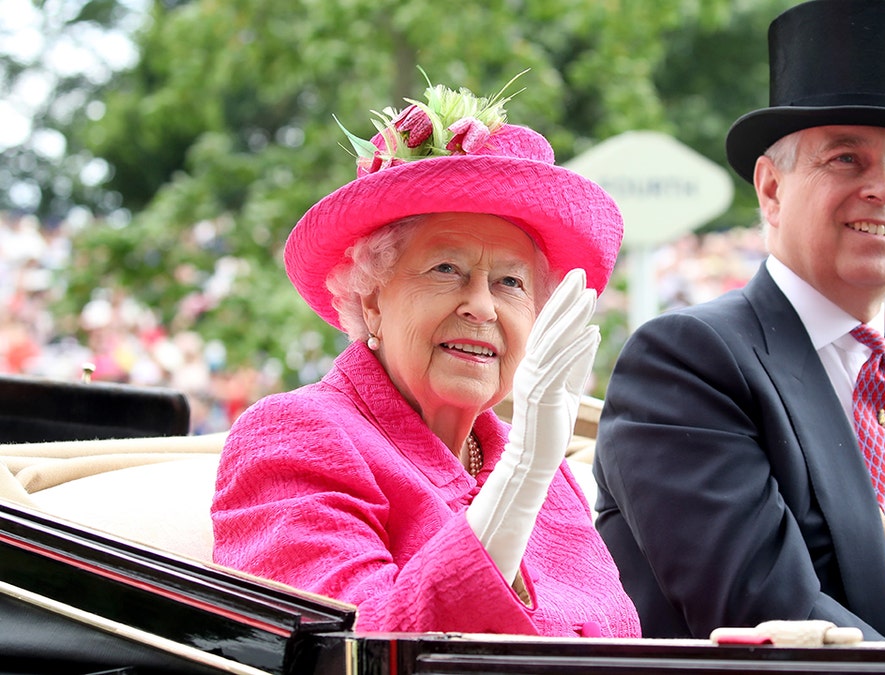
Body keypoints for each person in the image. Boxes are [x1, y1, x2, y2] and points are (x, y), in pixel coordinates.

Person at [593, 0, 885, 642]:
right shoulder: (690, 362)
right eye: (847, 159)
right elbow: (768, 616)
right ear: (771, 190)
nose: (884, 189)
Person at [211, 73, 640, 637]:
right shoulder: (292, 436)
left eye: (510, 282)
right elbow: (356, 652)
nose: (482, 306)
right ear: (370, 297)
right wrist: (521, 476)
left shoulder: (533, 460)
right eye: (446, 270)